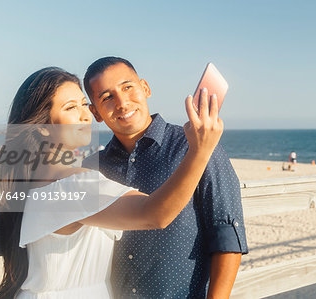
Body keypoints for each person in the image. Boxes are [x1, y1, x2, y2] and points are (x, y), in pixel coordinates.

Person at [0, 67, 223, 298]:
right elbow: (155, 214)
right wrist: (200, 149)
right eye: (70, 107)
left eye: (83, 104)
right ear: (42, 127)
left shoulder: (37, 181)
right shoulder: (72, 184)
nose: (84, 115)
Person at [82, 57, 248, 299]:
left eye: (128, 87)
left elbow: (227, 236)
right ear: (95, 112)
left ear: (145, 88)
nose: (122, 102)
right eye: (107, 97)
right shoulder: (92, 168)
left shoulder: (195, 145)